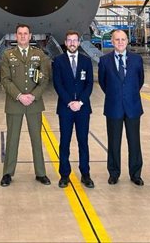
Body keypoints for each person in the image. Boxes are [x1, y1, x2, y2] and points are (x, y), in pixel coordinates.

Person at [0, 24, 51, 187]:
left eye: (25, 34)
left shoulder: (39, 55)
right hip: (15, 103)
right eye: (20, 34)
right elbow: (5, 80)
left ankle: (41, 172)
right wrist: (20, 96)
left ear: (30, 36)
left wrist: (33, 96)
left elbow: (43, 79)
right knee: (12, 139)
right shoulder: (8, 55)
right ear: (16, 36)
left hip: (34, 103)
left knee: (37, 139)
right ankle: (7, 173)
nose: (22, 36)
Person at [98, 29, 145, 186]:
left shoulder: (137, 60)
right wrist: (116, 95)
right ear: (112, 41)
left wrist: (127, 94)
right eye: (117, 39)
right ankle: (114, 173)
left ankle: (136, 174)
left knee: (134, 141)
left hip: (132, 107)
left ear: (127, 41)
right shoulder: (104, 61)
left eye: (123, 39)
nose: (120, 42)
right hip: (113, 107)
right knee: (113, 142)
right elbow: (103, 83)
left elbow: (139, 81)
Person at [52, 30, 94, 188]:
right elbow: (58, 84)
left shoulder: (86, 61)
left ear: (79, 42)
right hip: (65, 108)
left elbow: (89, 84)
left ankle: (85, 174)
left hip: (83, 109)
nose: (72, 43)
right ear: (65, 42)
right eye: (69, 40)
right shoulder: (58, 61)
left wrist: (80, 102)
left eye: (74, 40)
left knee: (83, 142)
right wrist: (70, 102)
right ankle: (64, 174)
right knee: (65, 142)